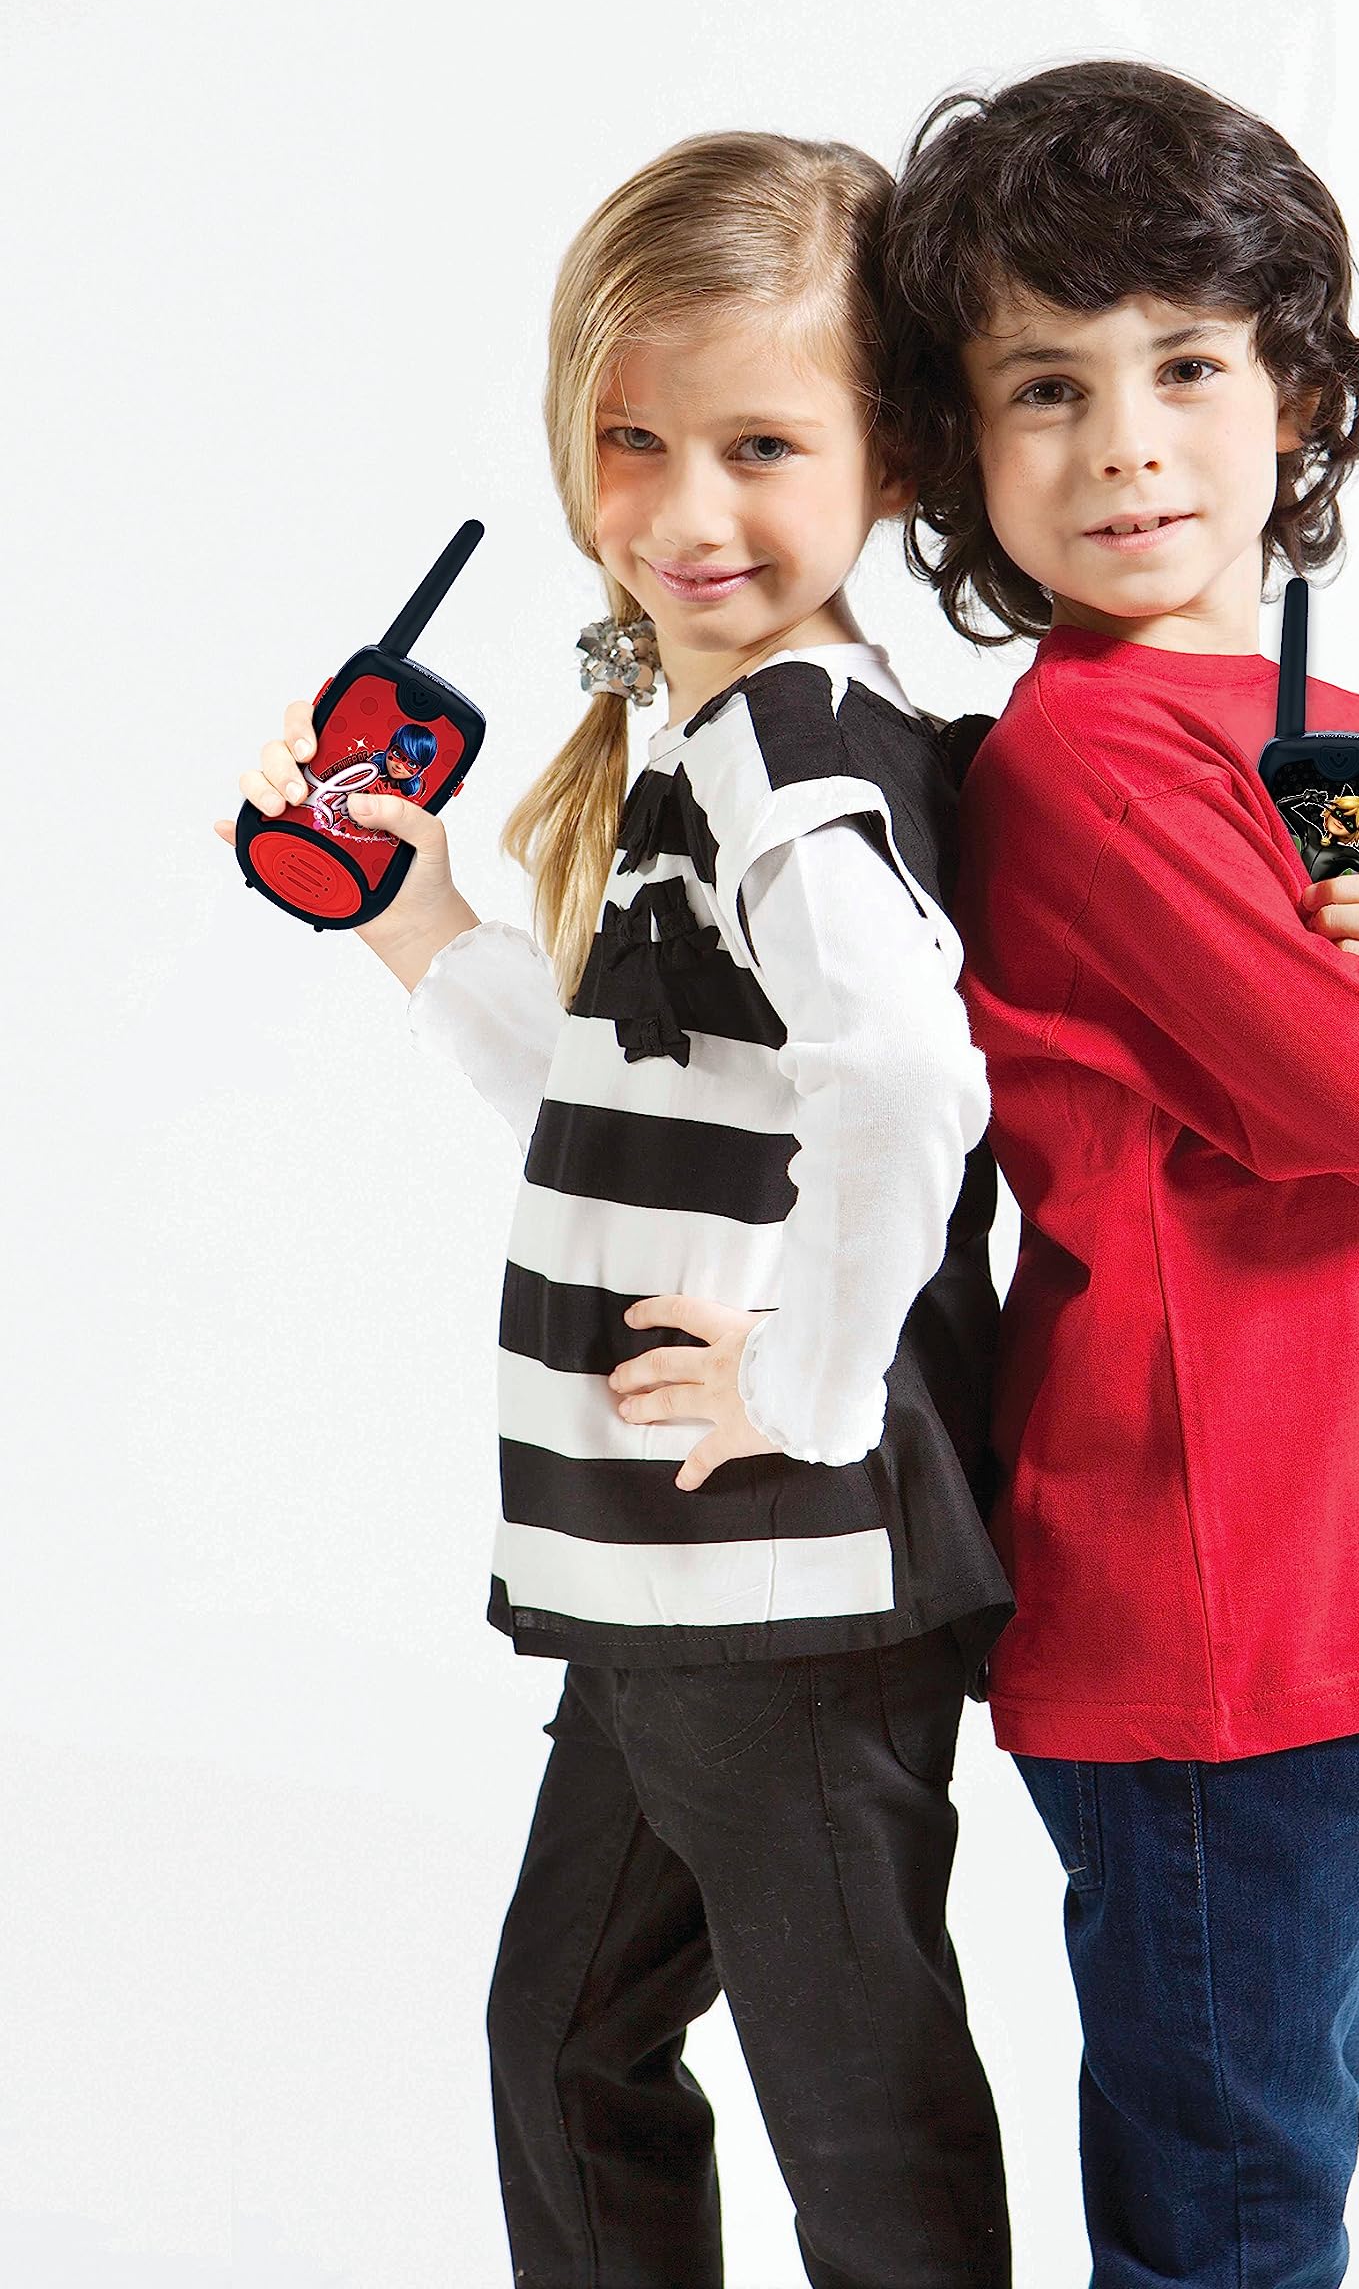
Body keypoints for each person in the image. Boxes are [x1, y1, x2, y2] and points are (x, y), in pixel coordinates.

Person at [879, 60, 1359, 2289]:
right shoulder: (1089, 766)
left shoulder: (1343, 742)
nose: (1126, 441)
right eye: (1048, 386)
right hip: (1212, 1587)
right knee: (1235, 2198)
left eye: (1187, 366)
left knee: (1275, 2143)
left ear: (1295, 393)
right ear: (957, 449)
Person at [219, 132, 1013, 2289]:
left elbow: (909, 1079)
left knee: (851, 2105)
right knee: (570, 2042)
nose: (684, 509)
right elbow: (625, 1098)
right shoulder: (710, 738)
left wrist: (809, 1392)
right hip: (675, 1573)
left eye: (762, 445)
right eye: (635, 439)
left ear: (893, 458)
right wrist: (412, 911)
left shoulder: (789, 755)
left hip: (775, 1573)